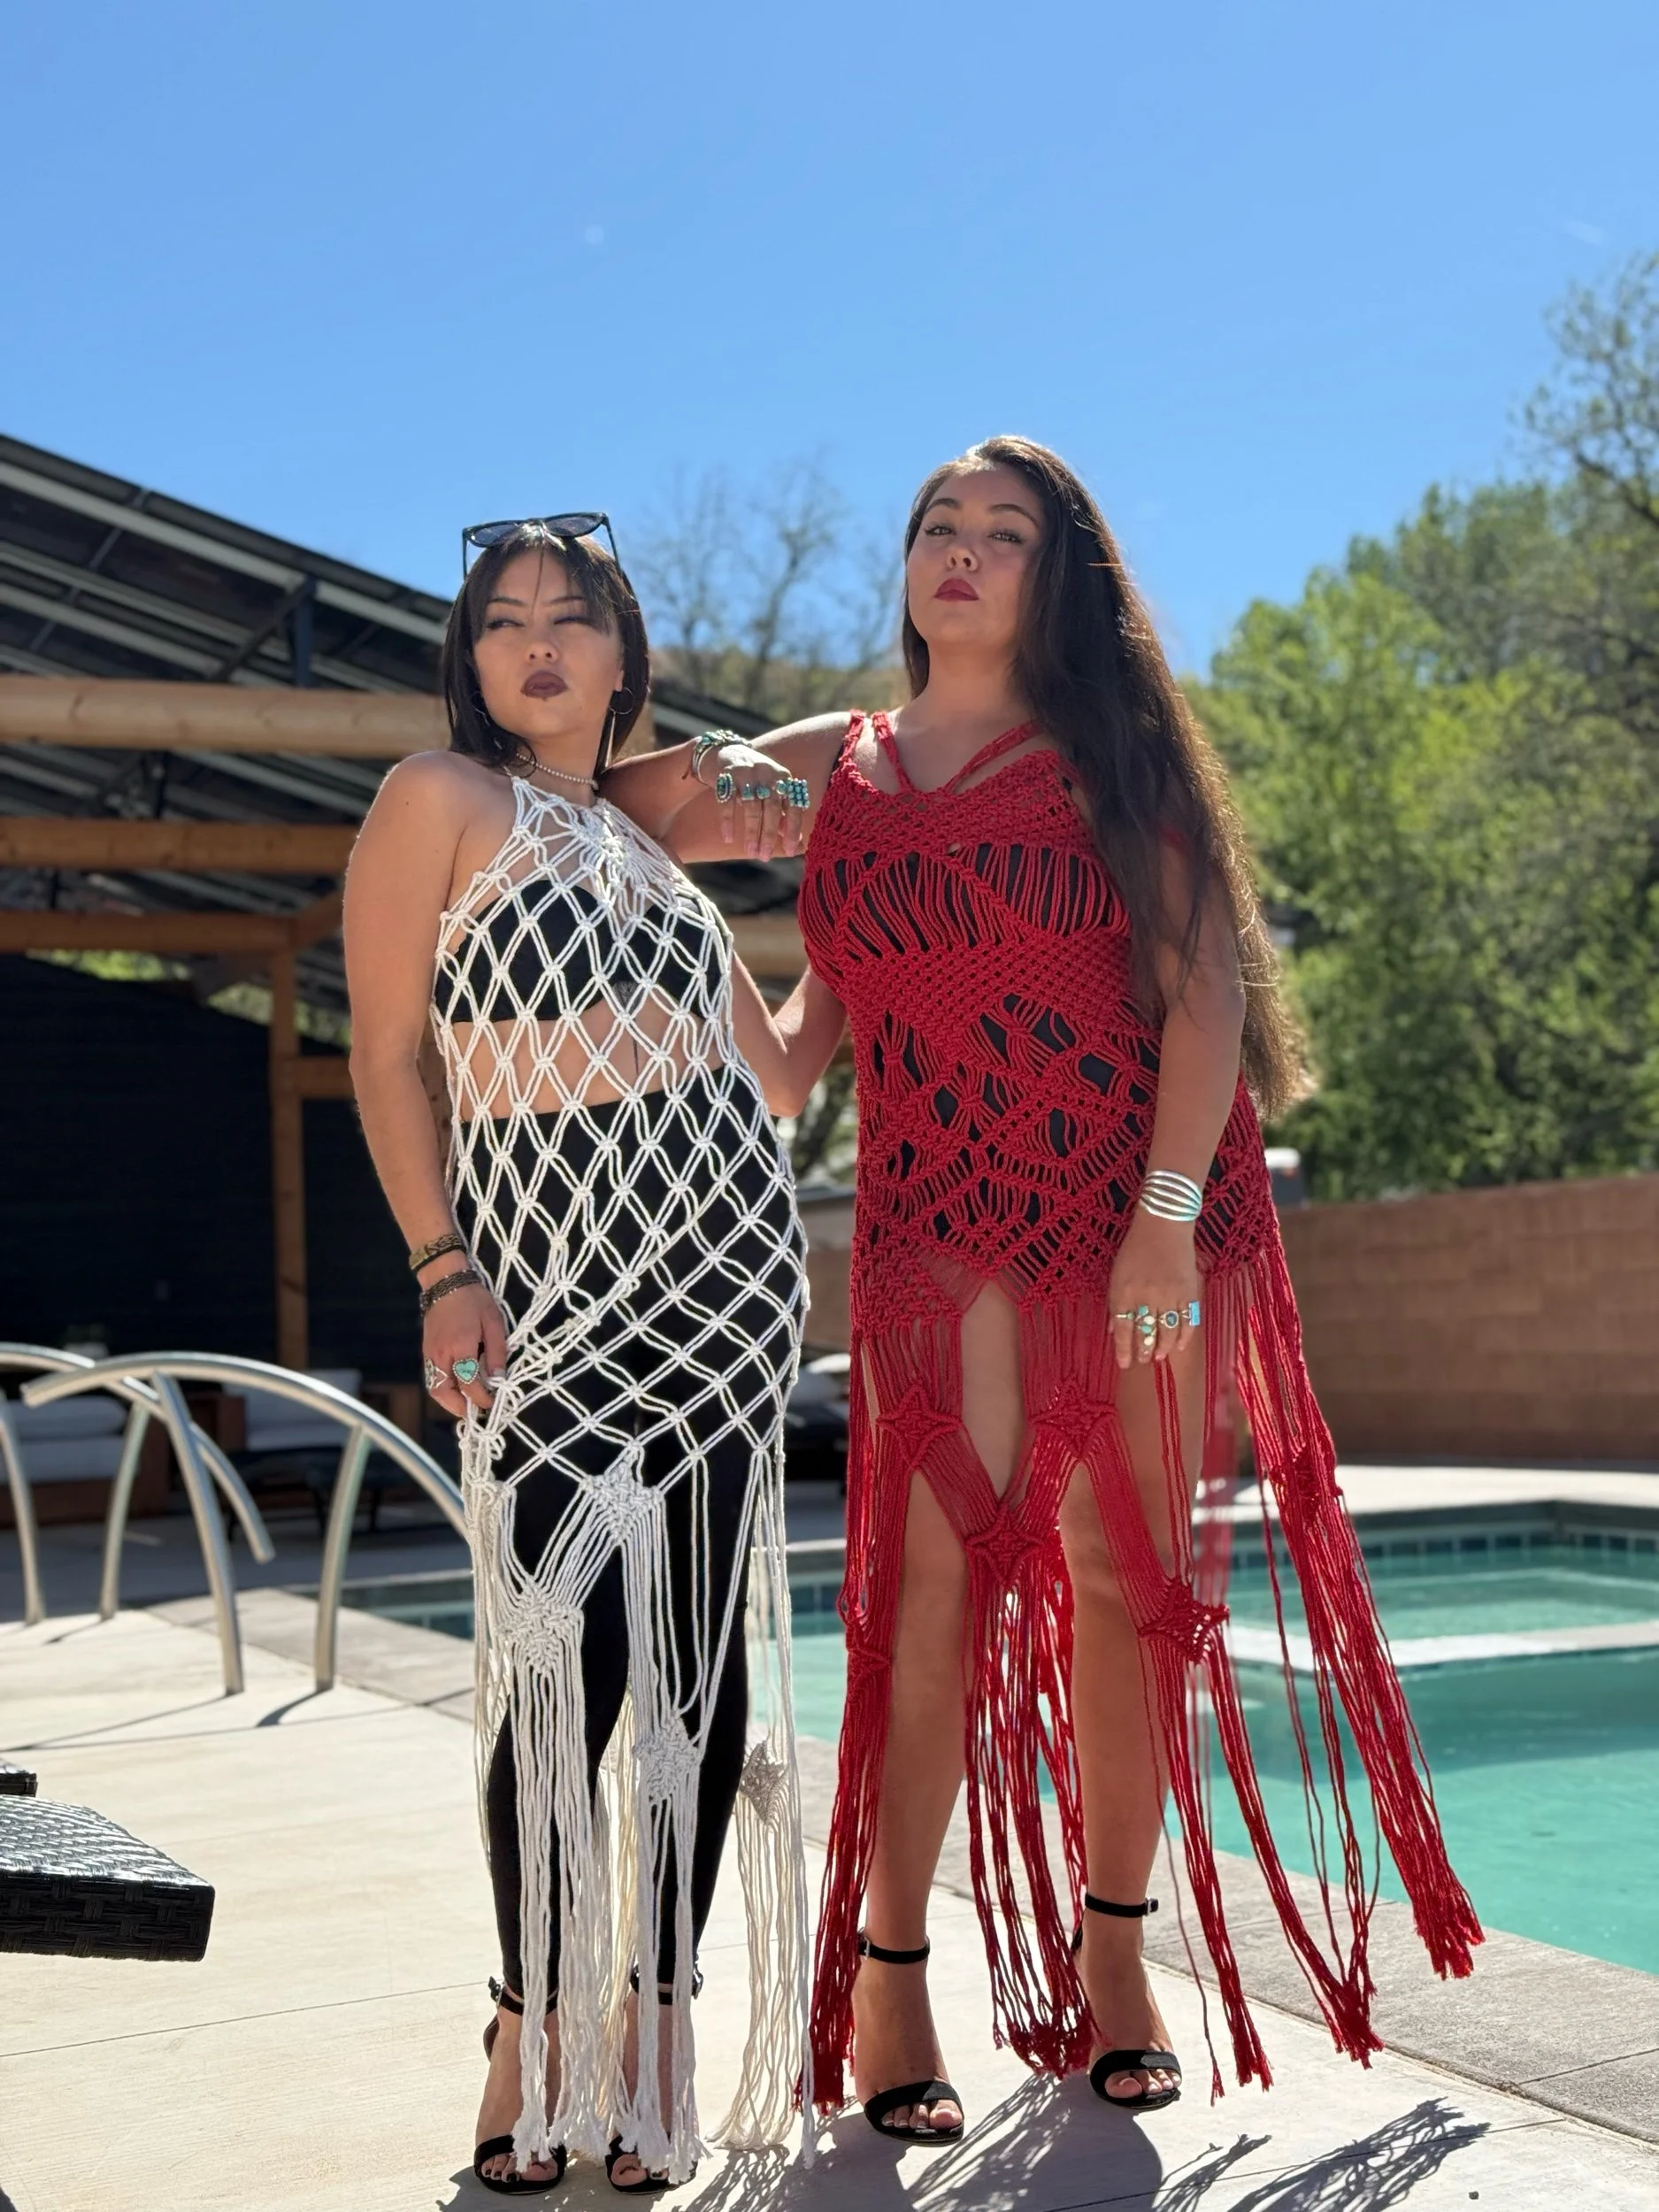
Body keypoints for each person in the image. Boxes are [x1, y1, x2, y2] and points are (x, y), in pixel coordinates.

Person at [603, 437, 1481, 2140]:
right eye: (938, 524)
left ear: (1054, 575)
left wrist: (1161, 1218)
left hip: (1135, 1214)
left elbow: (1205, 996)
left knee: (1124, 1580)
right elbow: (635, 851)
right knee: (924, 1594)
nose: (961, 550)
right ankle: (889, 1976)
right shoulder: (836, 765)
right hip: (934, 1230)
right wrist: (695, 841)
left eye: (1002, 534)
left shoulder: (1110, 756)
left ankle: (1115, 1961)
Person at [344, 520, 829, 2193]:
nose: (537, 644)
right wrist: (440, 1264)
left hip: (726, 1279)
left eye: (572, 618)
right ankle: (532, 2017)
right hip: (543, 1282)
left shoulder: (654, 859)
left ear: (625, 654)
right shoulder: (438, 799)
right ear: (469, 660)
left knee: (696, 1664)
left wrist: (859, 922)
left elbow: (778, 1081)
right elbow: (388, 1055)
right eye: (504, 622)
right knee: (559, 1660)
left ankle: (659, 2020)